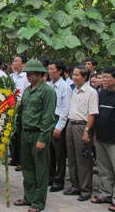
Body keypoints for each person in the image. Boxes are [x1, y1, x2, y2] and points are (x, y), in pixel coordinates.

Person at [14, 60, 56, 212]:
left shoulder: (48, 92)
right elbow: (22, 111)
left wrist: (43, 139)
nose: (28, 76)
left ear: (40, 74)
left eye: (31, 73)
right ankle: (28, 197)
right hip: (26, 133)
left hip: (38, 134)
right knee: (27, 168)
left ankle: (38, 202)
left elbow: (48, 117)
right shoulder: (27, 91)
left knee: (40, 170)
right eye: (27, 73)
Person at [91, 66, 115, 212]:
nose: (104, 80)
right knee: (104, 168)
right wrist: (95, 135)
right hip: (101, 137)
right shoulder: (103, 93)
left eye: (107, 77)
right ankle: (106, 193)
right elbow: (98, 115)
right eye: (103, 77)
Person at [64, 64, 99, 201]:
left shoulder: (91, 92)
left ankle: (85, 189)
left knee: (83, 160)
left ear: (85, 77)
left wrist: (86, 131)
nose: (74, 77)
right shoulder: (74, 90)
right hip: (71, 124)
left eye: (77, 75)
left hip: (82, 126)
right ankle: (75, 186)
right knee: (71, 158)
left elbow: (92, 114)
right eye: (73, 74)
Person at [47, 59, 72, 193]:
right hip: (49, 119)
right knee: (49, 152)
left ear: (60, 71)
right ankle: (50, 177)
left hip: (58, 120)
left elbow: (65, 108)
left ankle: (58, 180)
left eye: (52, 69)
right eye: (49, 69)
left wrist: (59, 127)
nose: (50, 72)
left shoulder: (65, 87)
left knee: (59, 154)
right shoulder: (49, 85)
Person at [11, 54, 31, 171]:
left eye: (16, 61)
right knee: (13, 134)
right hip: (11, 107)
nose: (14, 63)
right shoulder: (12, 76)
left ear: (23, 64)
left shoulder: (26, 77)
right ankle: (14, 157)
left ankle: (22, 161)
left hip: (22, 108)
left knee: (20, 135)